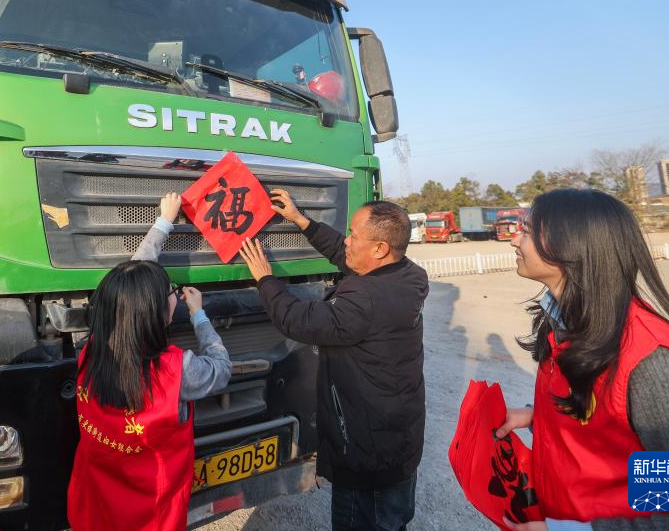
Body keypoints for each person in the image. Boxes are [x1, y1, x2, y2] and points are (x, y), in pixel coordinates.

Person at [495, 189, 669, 531]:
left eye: (528, 229)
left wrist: (565, 530)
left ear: (571, 247)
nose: (514, 240)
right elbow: (614, 435)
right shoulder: (565, 327)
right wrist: (539, 417)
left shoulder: (651, 364)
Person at [237, 192, 428, 531]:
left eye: (354, 235)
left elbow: (297, 319)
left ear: (381, 248)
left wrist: (265, 278)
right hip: (399, 443)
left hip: (366, 450)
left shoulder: (365, 299)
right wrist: (302, 221)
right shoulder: (409, 275)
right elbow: (346, 254)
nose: (348, 241)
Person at [68, 192, 231, 531]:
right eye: (170, 292)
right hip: (151, 511)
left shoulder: (92, 350)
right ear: (156, 313)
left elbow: (130, 286)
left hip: (97, 499)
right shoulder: (178, 370)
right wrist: (199, 316)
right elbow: (221, 369)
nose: (174, 295)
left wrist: (164, 222)